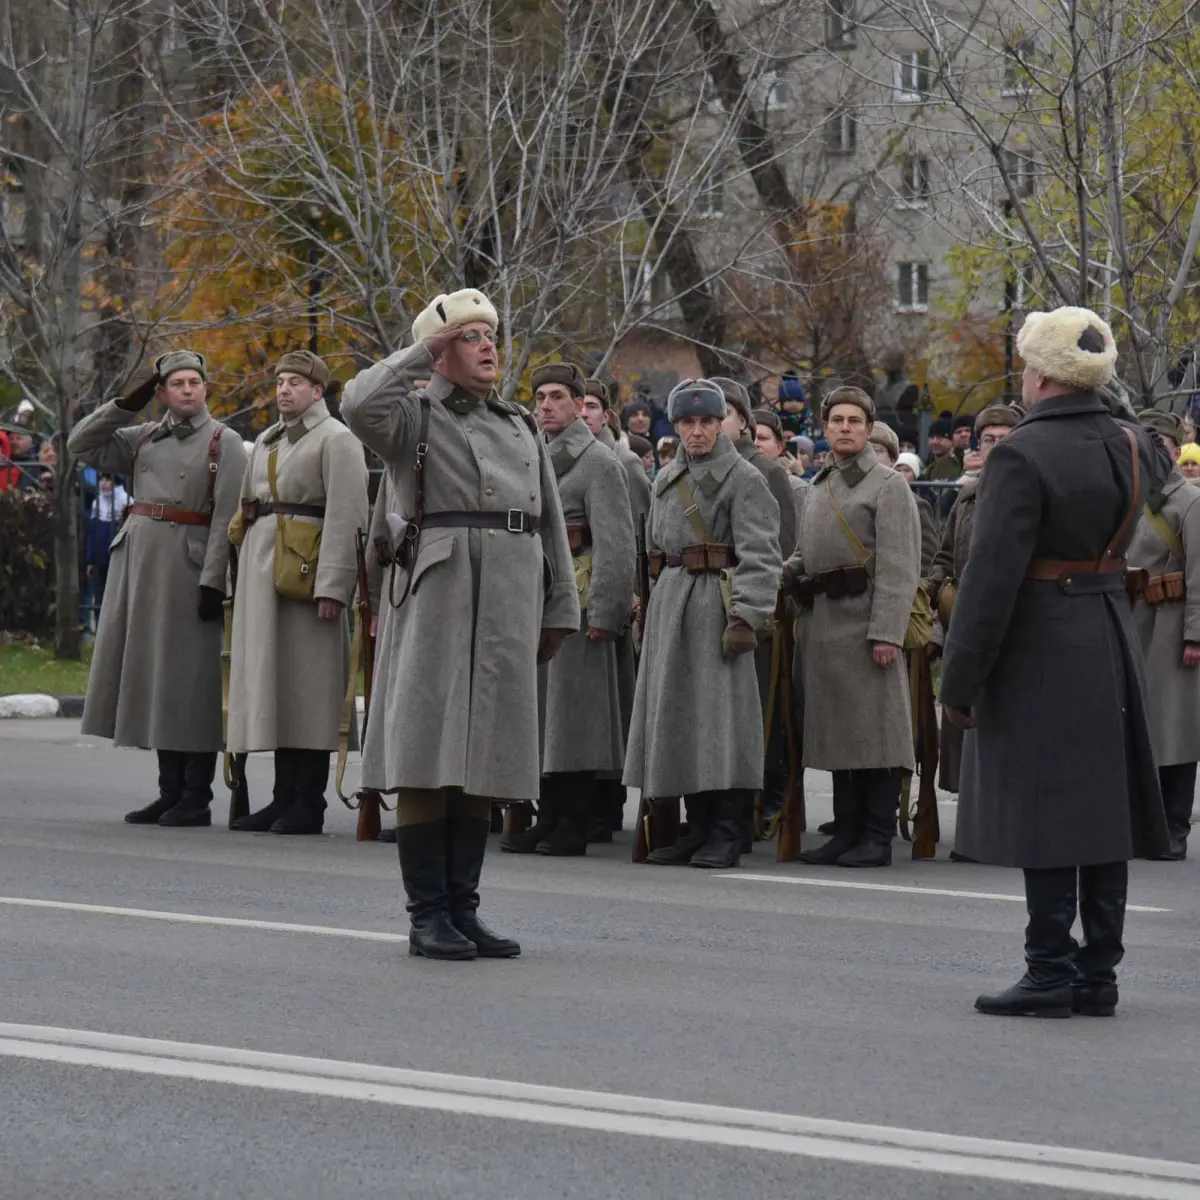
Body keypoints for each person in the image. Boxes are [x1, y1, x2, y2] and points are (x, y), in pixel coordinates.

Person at [940, 306, 1171, 1018]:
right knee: (1102, 809)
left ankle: (1048, 971)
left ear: (1038, 375)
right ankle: (1097, 975)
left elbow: (990, 579)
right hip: (1107, 628)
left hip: (1042, 637)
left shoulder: (1021, 455)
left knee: (1046, 807)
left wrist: (961, 677)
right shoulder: (1135, 445)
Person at [341, 288, 579, 961]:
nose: (486, 346)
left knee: (484, 754)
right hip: (438, 591)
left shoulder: (518, 424)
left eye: (490, 334)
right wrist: (424, 347)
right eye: (470, 337)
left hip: (508, 588)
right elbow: (357, 403)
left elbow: (549, 520)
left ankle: (465, 910)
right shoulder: (413, 416)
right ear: (443, 350)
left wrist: (560, 603)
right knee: (429, 749)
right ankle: (428, 914)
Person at [68, 350, 247, 827]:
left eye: (195, 381)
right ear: (163, 393)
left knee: (190, 683)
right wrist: (129, 402)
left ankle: (196, 795)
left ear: (206, 388)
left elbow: (227, 518)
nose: (188, 390)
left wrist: (214, 580)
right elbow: (80, 446)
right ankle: (169, 790)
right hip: (140, 568)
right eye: (177, 383)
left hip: (188, 570)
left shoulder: (222, 442)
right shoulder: (144, 435)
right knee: (157, 681)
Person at [625, 379, 782, 868]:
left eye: (707, 422)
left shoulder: (744, 479)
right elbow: (653, 550)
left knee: (721, 724)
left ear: (722, 425)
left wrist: (747, 616)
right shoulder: (666, 478)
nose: (697, 432)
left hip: (717, 605)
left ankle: (729, 830)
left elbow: (761, 554)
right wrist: (645, 607)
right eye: (688, 423)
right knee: (682, 722)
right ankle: (698, 827)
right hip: (672, 604)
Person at [225, 351, 369, 836]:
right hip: (264, 575)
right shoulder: (267, 438)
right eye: (281, 381)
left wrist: (334, 583)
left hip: (307, 579)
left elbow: (349, 515)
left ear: (317, 391)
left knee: (310, 690)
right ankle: (282, 796)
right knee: (279, 688)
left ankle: (308, 801)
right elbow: (248, 507)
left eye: (295, 383)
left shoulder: (338, 440)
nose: (284, 390)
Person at [781, 387, 921, 868]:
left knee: (875, 735)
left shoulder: (888, 485)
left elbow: (900, 567)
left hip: (864, 622)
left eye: (854, 421)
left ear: (868, 428)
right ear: (824, 429)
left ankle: (876, 837)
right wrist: (776, 578)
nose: (844, 427)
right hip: (823, 625)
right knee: (842, 735)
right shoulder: (821, 485)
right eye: (836, 420)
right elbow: (804, 553)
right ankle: (846, 832)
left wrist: (887, 632)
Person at [505, 362, 635, 856]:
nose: (545, 405)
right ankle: (550, 815)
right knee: (545, 717)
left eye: (557, 396)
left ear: (580, 405)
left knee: (575, 720)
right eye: (540, 397)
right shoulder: (531, 456)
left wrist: (606, 612)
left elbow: (618, 546)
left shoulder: (600, 462)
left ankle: (575, 821)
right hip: (537, 599)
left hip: (580, 604)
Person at [924, 404, 1021, 800]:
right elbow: (944, 557)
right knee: (964, 716)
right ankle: (973, 817)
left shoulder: (1029, 491)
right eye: (988, 440)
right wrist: (926, 592)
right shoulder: (966, 497)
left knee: (1006, 722)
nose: (995, 446)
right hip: (965, 624)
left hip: (1015, 626)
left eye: (1004, 438)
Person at [1127, 410, 1200, 861]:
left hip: (1172, 625)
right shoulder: (1130, 496)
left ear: (1174, 450)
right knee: (1138, 729)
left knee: (1176, 732)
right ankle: (1143, 824)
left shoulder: (1189, 502)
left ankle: (1174, 827)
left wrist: (1196, 635)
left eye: (1159, 446)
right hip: (1131, 620)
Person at [870, 423, 936, 575]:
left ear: (893, 460)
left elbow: (927, 556)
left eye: (877, 450)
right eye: (864, 451)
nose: (869, 456)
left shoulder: (914, 504)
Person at [586, 380, 651, 530]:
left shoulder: (625, 461)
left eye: (591, 406)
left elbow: (640, 522)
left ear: (605, 416)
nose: (584, 413)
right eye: (579, 407)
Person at [84, 473, 129, 623]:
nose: (103, 483)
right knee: (99, 594)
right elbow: (92, 532)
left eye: (108, 479)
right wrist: (91, 559)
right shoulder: (97, 502)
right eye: (101, 479)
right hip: (100, 557)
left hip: (119, 556)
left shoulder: (125, 501)